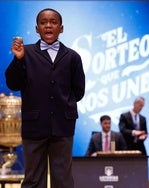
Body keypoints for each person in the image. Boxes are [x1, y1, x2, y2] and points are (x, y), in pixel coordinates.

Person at [5, 8, 85, 188]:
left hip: (63, 126)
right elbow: (13, 83)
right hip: (34, 126)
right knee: (33, 180)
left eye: (53, 22)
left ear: (61, 28)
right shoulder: (24, 53)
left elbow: (79, 91)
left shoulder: (73, 57)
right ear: (36, 28)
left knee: (63, 180)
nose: (48, 25)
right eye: (43, 22)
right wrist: (18, 60)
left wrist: (63, 105)